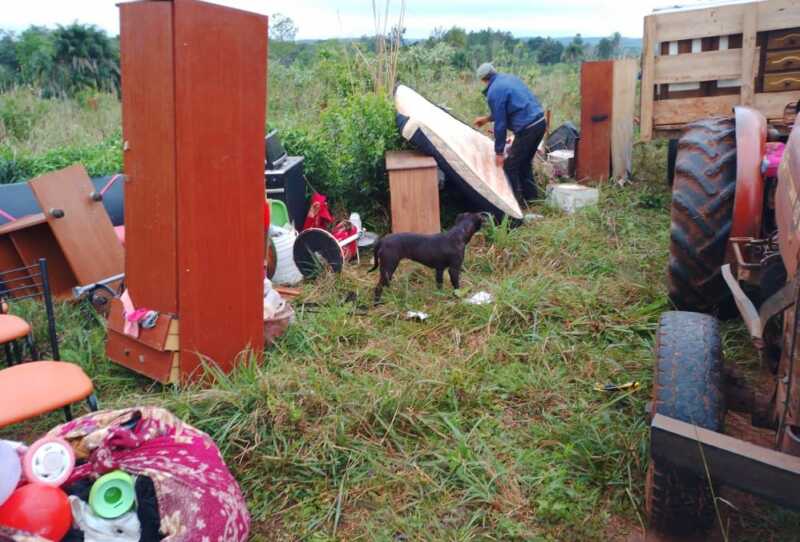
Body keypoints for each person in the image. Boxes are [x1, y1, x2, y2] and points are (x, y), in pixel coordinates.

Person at [473, 63, 546, 206]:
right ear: (494, 72)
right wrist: (487, 119)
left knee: (510, 166)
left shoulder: (493, 91)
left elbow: (501, 124)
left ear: (483, 80)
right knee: (524, 163)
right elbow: (512, 107)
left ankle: (515, 204)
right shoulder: (509, 79)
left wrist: (499, 152)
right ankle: (533, 199)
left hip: (527, 129)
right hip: (540, 123)